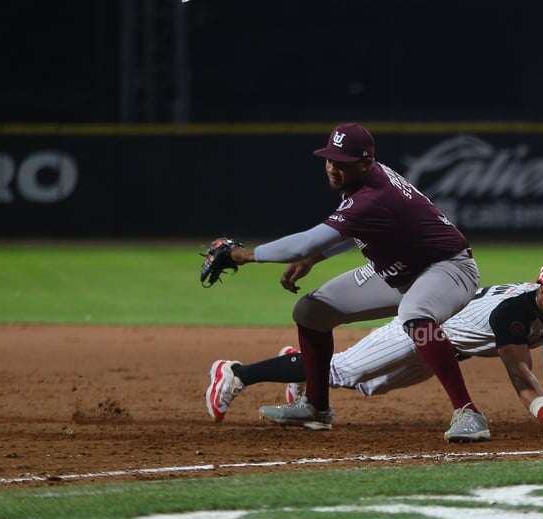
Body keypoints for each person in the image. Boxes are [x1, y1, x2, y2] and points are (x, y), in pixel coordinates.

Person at [205, 123, 487, 442]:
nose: (333, 168)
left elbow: (304, 242)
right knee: (312, 312)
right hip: (403, 270)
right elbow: (352, 232)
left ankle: (468, 412)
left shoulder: (373, 195)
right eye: (329, 160)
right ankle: (316, 406)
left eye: (342, 162)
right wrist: (315, 258)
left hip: (449, 268)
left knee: (415, 313)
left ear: (365, 163)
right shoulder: (365, 181)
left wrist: (243, 256)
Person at [207, 256, 543, 434]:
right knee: (342, 370)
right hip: (421, 328)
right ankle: (236, 374)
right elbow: (519, 373)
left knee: (368, 385)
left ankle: (297, 366)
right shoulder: (513, 314)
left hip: (445, 348)